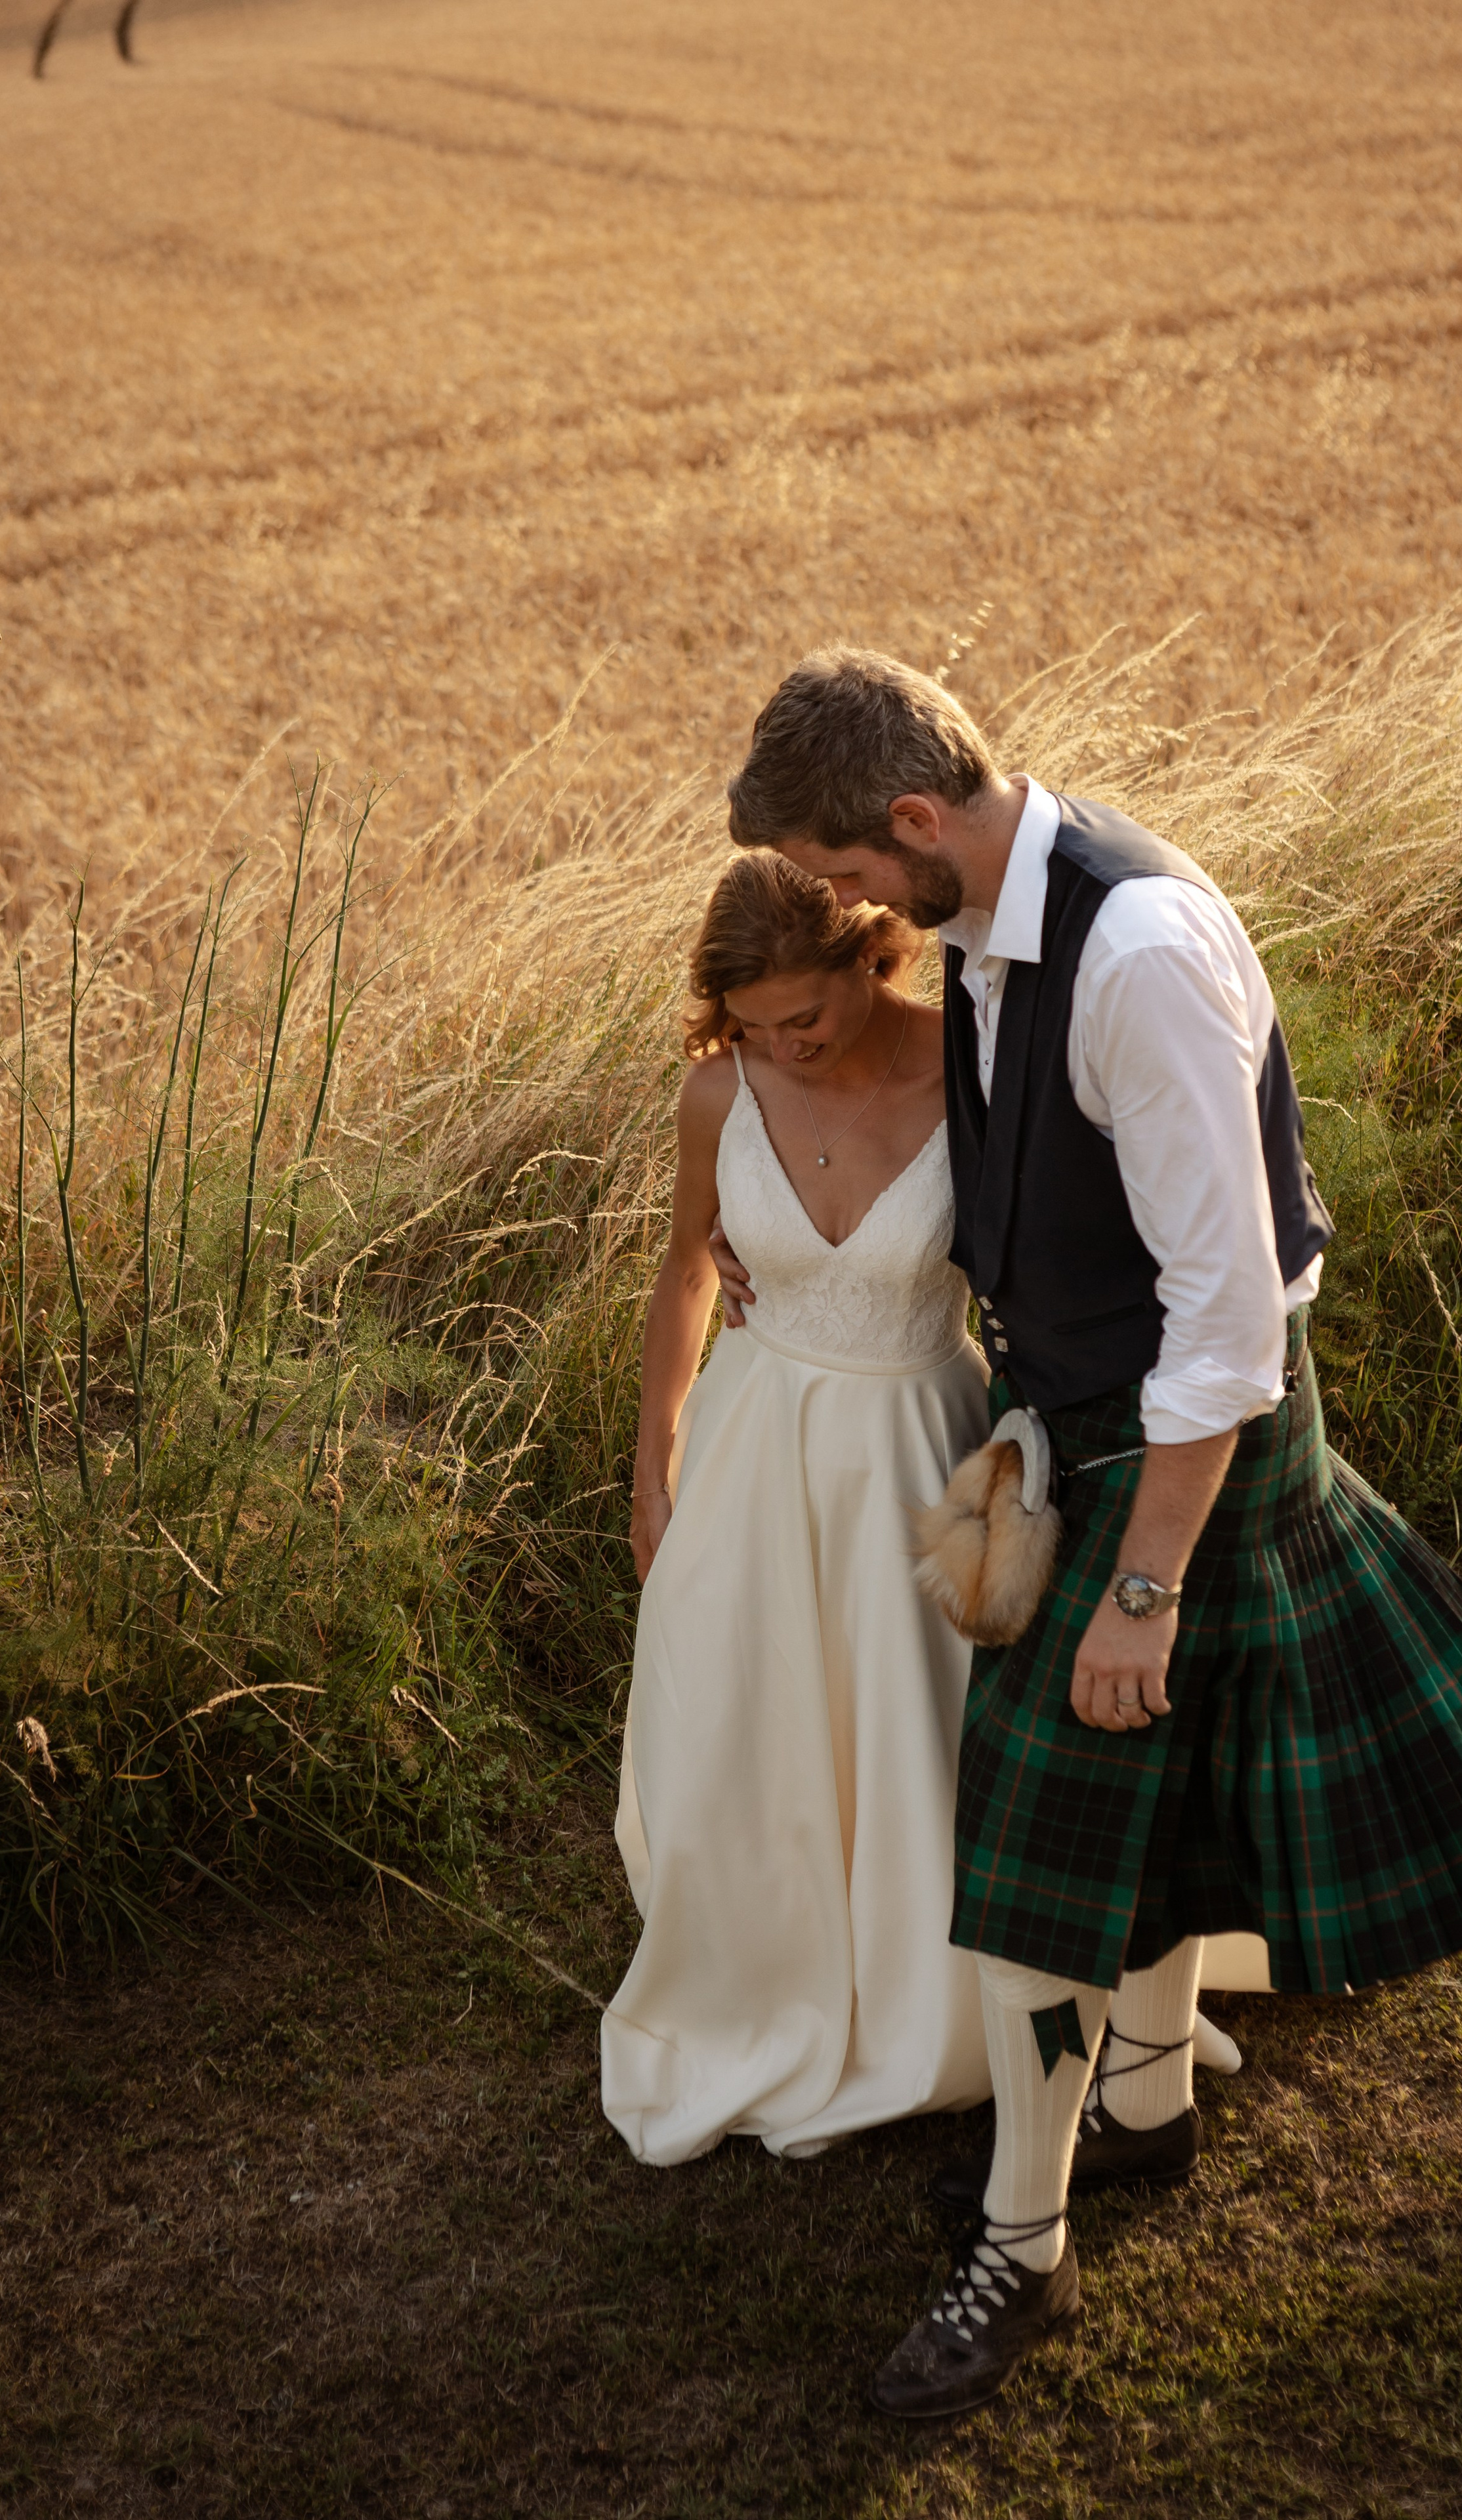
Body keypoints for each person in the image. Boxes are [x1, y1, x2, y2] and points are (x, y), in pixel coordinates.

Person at [717, 648, 1462, 2419]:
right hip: (1094, 1420)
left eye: (846, 879)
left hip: (1181, 1438)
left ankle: (1023, 2250)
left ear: (912, 820)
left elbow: (1230, 1315)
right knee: (1143, 1790)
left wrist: (1143, 1583)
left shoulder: (1131, 954)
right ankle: (1138, 2103)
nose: (849, 915)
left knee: (1036, 1849)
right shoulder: (1004, 930)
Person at [600, 852, 992, 2162]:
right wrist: (653, 1468)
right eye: (753, 1024)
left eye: (804, 1020)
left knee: (911, 1731)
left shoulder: (973, 1067)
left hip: (916, 1443)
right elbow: (681, 1280)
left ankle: (917, 1984)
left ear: (870, 957)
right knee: (748, 1718)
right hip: (752, 1446)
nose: (782, 1048)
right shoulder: (718, 1091)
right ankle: (766, 1967)